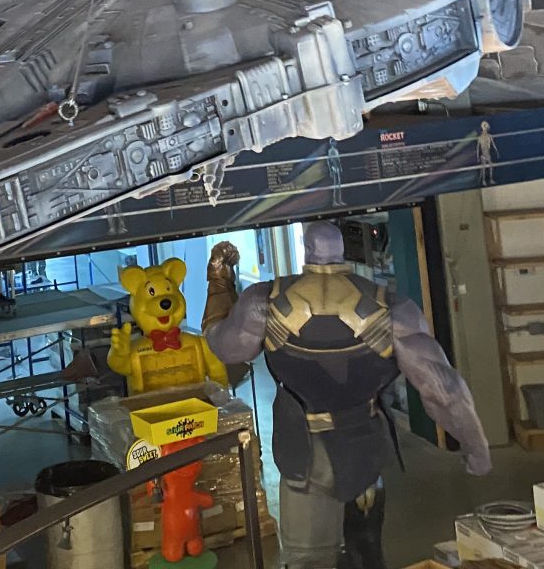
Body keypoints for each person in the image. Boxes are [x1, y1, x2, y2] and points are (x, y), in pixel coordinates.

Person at [203, 223, 491, 569]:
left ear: (307, 250)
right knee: (366, 552)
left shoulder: (263, 302)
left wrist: (219, 284)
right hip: (362, 448)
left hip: (302, 451)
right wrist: (476, 448)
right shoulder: (391, 307)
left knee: (308, 560)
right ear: (342, 251)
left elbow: (225, 347)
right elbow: (444, 389)